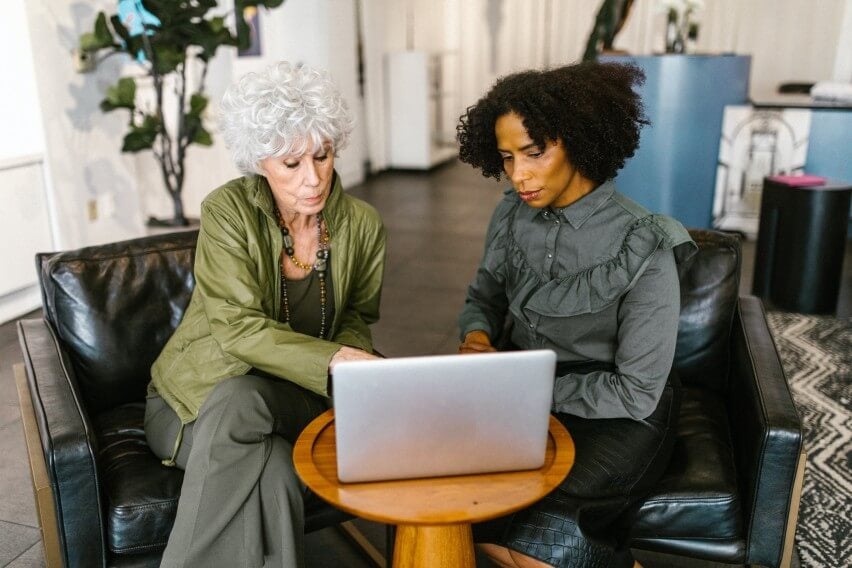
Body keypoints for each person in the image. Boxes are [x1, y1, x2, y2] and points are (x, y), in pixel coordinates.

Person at [144, 61, 386, 568]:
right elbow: (235, 329)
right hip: (195, 400)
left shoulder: (362, 225)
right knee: (269, 462)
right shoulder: (226, 212)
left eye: (322, 155)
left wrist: (350, 352)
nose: (314, 178)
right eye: (290, 164)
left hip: (293, 397)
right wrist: (335, 359)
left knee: (244, 401)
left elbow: (358, 316)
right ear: (259, 161)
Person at [456, 61, 697, 568]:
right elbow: (484, 297)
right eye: (506, 157)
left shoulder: (643, 242)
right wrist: (477, 339)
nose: (518, 174)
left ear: (580, 140)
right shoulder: (509, 214)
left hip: (622, 410)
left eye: (534, 152)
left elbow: (637, 391)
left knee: (530, 551)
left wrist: (525, 387)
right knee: (464, 520)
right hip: (525, 393)